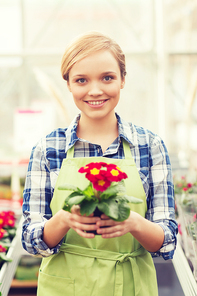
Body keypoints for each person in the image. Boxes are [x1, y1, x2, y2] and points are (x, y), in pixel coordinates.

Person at [22, 31, 178, 296]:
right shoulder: (48, 149)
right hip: (65, 286)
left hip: (131, 285)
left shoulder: (149, 146)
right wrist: (64, 219)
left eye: (107, 77)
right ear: (69, 84)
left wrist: (133, 223)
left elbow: (166, 242)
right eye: (81, 80)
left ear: (123, 79)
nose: (95, 90)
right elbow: (31, 239)